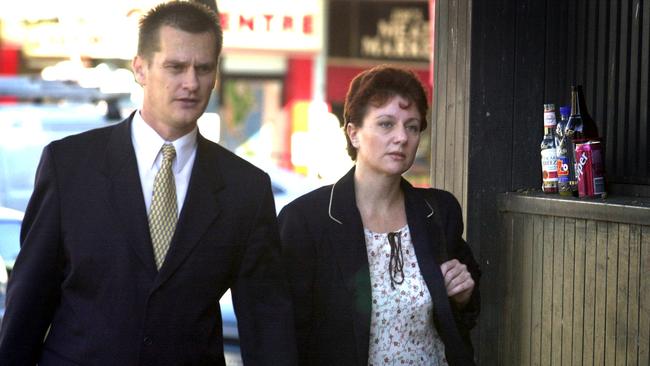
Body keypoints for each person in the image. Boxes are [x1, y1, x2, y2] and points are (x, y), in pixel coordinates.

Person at [0, 2, 297, 365]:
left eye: (203, 69)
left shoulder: (245, 190)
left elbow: (267, 324)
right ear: (140, 68)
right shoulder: (70, 166)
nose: (191, 83)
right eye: (175, 67)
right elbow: (28, 302)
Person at [278, 65, 481, 365]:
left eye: (412, 127)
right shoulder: (306, 221)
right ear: (354, 133)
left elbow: (464, 315)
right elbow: (283, 331)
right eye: (386, 124)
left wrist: (463, 296)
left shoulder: (439, 212)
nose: (402, 137)